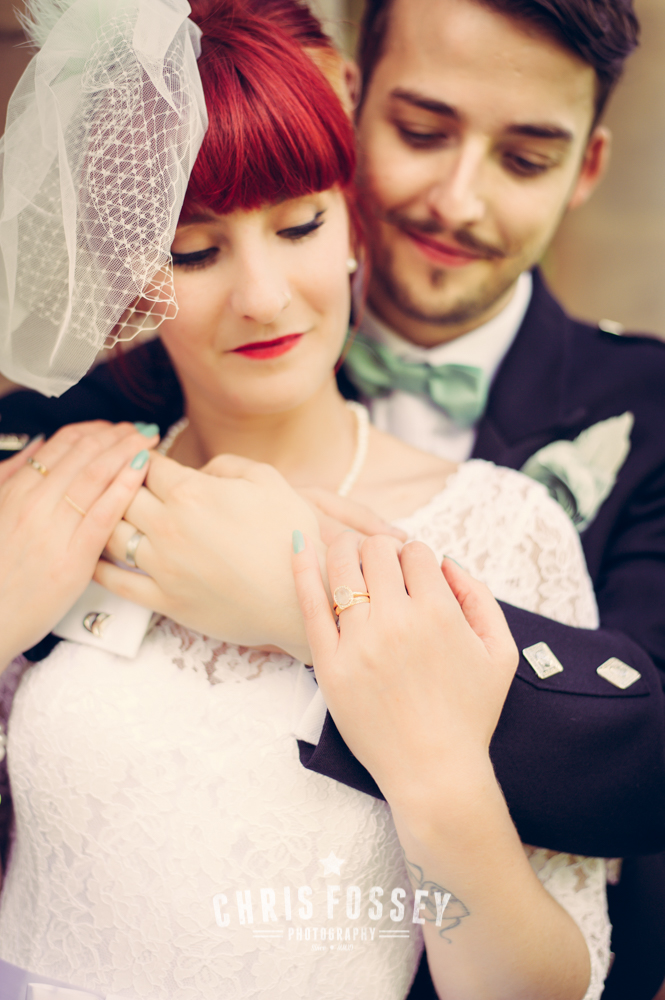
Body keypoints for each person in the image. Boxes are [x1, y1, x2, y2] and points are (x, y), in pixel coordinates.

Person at [3, 1, 663, 995]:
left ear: (343, 218)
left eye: (299, 223)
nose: (263, 294)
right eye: (192, 249)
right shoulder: (63, 472)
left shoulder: (514, 512)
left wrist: (315, 607)